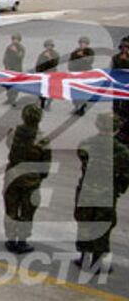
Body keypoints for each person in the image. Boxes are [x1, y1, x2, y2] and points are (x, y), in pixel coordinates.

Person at [74, 112, 129, 272]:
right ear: (117, 128)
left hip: (86, 190)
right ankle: (97, 262)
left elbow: (83, 159)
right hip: (106, 193)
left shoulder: (85, 144)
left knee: (84, 222)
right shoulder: (123, 152)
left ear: (97, 125)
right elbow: (125, 176)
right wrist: (117, 189)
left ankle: (83, 257)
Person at [3, 104, 51, 254]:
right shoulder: (42, 140)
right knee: (27, 212)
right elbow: (46, 165)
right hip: (31, 181)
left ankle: (11, 239)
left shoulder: (14, 132)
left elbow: (8, 145)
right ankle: (22, 241)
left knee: (11, 209)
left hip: (12, 177)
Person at [68, 36, 95, 116]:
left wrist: (80, 56)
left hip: (85, 74)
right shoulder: (75, 51)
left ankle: (82, 107)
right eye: (81, 43)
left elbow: (89, 61)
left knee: (83, 91)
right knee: (74, 91)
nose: (83, 45)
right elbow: (71, 60)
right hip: (75, 73)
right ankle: (76, 106)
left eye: (85, 43)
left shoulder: (90, 52)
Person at [112, 37, 129, 145]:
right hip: (119, 89)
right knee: (119, 112)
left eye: (127, 47)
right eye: (123, 47)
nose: (125, 50)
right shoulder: (116, 58)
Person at [35, 39, 59, 111]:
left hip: (51, 74)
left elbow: (55, 63)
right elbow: (38, 63)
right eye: (47, 46)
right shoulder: (42, 54)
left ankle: (48, 104)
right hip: (43, 73)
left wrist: (49, 58)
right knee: (42, 89)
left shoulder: (55, 54)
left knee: (50, 90)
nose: (48, 47)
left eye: (50, 46)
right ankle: (42, 103)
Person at [3, 33, 25, 106]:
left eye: (16, 39)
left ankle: (14, 99)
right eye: (13, 39)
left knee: (15, 85)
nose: (14, 41)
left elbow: (20, 57)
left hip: (17, 69)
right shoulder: (9, 47)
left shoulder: (21, 48)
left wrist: (15, 51)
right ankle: (9, 98)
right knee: (8, 84)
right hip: (9, 68)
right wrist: (6, 65)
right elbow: (5, 56)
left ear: (19, 40)